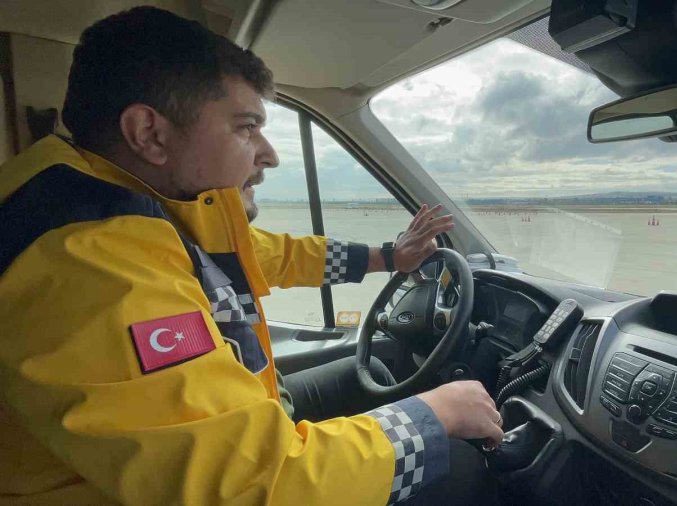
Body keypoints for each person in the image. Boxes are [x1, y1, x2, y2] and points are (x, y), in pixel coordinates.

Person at [0, 6, 503, 505]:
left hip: (228, 436)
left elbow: (266, 255)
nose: (269, 154)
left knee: (374, 368)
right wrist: (435, 418)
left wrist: (388, 256)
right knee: (456, 463)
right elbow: (254, 488)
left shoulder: (134, 210)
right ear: (149, 134)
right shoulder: (92, 264)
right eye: (246, 127)